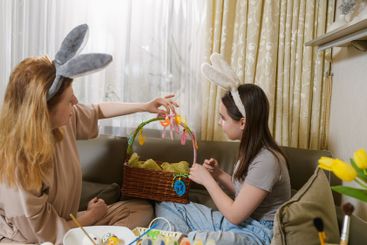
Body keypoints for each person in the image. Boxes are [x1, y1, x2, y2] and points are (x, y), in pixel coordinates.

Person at [0, 24, 177, 244]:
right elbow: (44, 234)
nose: (75, 102)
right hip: (30, 239)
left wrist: (144, 106)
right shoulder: (20, 165)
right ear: (43, 112)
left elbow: (97, 110)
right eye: (69, 99)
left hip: (68, 222)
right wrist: (92, 216)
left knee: (139, 210)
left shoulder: (63, 120)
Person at [155, 54, 291, 245]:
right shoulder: (250, 148)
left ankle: (181, 239)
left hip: (258, 234)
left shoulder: (267, 160)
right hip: (242, 224)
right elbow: (244, 192)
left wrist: (208, 180)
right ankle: (179, 239)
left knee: (195, 240)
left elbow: (235, 214)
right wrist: (219, 174)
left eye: (223, 118)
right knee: (169, 206)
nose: (219, 123)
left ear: (243, 122)